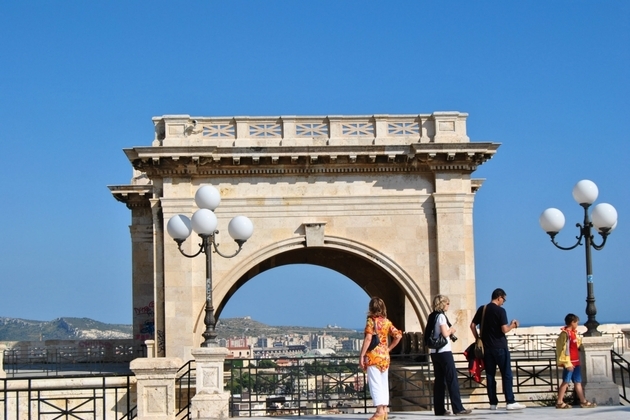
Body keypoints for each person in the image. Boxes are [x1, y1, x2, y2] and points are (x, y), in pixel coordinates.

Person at [469, 288, 526, 411]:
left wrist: (478, 338)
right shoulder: (500, 311)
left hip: (487, 349)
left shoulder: (482, 309)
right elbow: (504, 329)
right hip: (500, 347)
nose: (503, 302)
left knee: (490, 376)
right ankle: (510, 401)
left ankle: (493, 403)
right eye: (503, 300)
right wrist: (513, 325)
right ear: (499, 297)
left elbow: (472, 325)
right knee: (506, 374)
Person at [425, 295, 472, 416]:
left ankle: (439, 409)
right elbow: (445, 333)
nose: (448, 305)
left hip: (434, 352)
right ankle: (458, 408)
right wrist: (451, 330)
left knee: (439, 380)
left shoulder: (432, 316)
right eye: (447, 303)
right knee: (452, 379)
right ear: (442, 304)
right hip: (444, 352)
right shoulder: (441, 316)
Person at [359, 297, 403, 420]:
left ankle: (379, 411)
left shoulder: (371, 321)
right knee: (383, 384)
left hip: (373, 357)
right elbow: (398, 336)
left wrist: (362, 355)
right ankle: (384, 410)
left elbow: (368, 338)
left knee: (375, 384)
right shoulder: (387, 322)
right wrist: (388, 349)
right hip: (385, 356)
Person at [555, 313, 596, 409]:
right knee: (566, 382)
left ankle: (583, 401)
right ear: (572, 322)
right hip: (570, 363)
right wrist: (566, 363)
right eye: (576, 322)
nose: (577, 324)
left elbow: (576, 345)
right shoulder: (565, 334)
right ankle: (559, 401)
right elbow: (563, 349)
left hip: (576, 362)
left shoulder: (573, 333)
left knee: (578, 382)